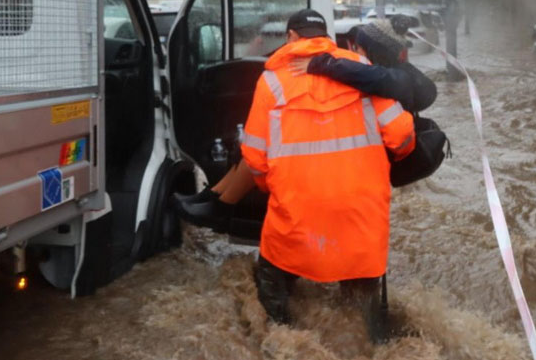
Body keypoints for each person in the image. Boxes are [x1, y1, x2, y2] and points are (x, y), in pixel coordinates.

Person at [238, 9, 416, 342]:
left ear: (291, 37)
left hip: (296, 212)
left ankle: (282, 345)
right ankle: (376, 345)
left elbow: (254, 157)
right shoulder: (360, 69)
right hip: (360, 213)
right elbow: (401, 136)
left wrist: (270, 188)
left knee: (273, 284)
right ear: (326, 37)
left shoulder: (271, 81)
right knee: (365, 302)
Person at [173, 17, 442, 230]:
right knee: (253, 150)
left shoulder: (385, 82)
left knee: (258, 152)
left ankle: (220, 206)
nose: (352, 51)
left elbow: (395, 121)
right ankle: (215, 198)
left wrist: (324, 64)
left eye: (357, 48)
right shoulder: (378, 78)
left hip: (346, 175)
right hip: (355, 176)